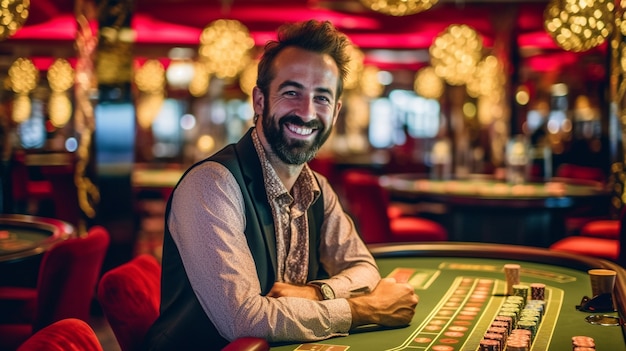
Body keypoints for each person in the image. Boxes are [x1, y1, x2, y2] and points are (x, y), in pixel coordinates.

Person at [143, 19, 418, 350]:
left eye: (322, 98)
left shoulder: (318, 188)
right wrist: (365, 309)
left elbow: (363, 268)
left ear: (336, 110)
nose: (306, 112)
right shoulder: (212, 186)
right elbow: (243, 320)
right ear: (260, 101)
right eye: (292, 92)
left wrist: (317, 292)